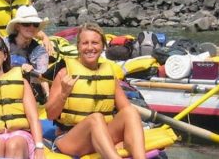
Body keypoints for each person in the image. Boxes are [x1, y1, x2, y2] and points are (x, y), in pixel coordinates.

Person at [45, 23, 146, 159]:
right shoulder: (65, 74)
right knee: (95, 118)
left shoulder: (110, 74)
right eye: (85, 43)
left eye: (95, 43)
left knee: (131, 112)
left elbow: (125, 110)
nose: (90, 48)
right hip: (70, 139)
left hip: (102, 135)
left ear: (102, 46)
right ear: (78, 47)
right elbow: (50, 114)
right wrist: (63, 94)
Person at [5, 5, 50, 104]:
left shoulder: (40, 51)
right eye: (27, 24)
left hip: (29, 95)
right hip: (5, 90)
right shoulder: (4, 45)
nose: (31, 27)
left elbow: (42, 77)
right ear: (17, 26)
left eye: (35, 24)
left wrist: (48, 96)